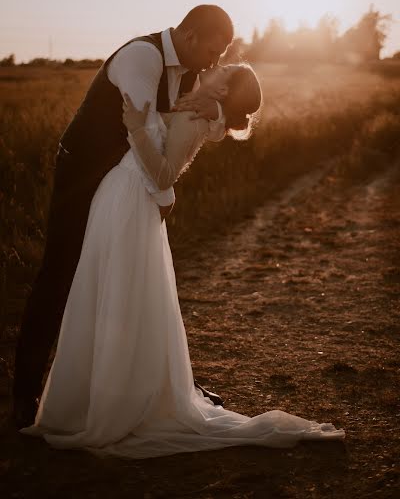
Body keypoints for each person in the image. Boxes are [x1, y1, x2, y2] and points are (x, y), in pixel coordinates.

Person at [19, 64, 345, 459]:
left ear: (223, 89)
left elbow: (163, 176)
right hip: (120, 199)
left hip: (130, 202)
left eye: (220, 71)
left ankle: (112, 403)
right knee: (107, 293)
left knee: (119, 297)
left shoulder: (196, 118)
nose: (211, 69)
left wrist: (137, 127)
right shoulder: (193, 107)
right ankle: (95, 396)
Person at [13, 5, 235, 428]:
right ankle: (25, 395)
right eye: (213, 48)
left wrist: (218, 117)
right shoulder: (141, 57)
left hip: (129, 181)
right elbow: (148, 129)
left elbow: (187, 122)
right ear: (189, 35)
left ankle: (167, 384)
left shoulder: (188, 71)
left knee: (134, 276)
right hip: (84, 172)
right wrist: (165, 192)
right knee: (59, 275)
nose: (215, 61)